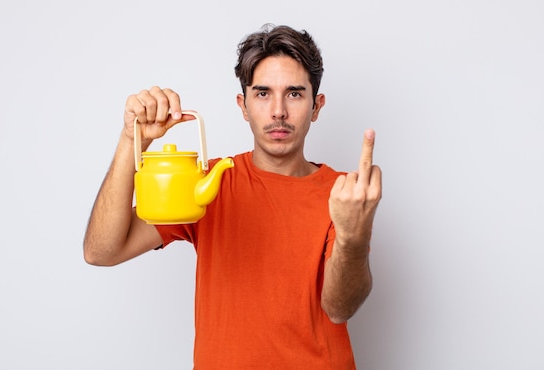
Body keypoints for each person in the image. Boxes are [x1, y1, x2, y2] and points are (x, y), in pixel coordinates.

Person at [84, 24, 382, 369]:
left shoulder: (345, 194)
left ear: (317, 106)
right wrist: (130, 140)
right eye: (262, 93)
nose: (278, 111)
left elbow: (339, 307)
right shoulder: (207, 182)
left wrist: (351, 236)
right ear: (243, 105)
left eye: (295, 94)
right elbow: (101, 251)